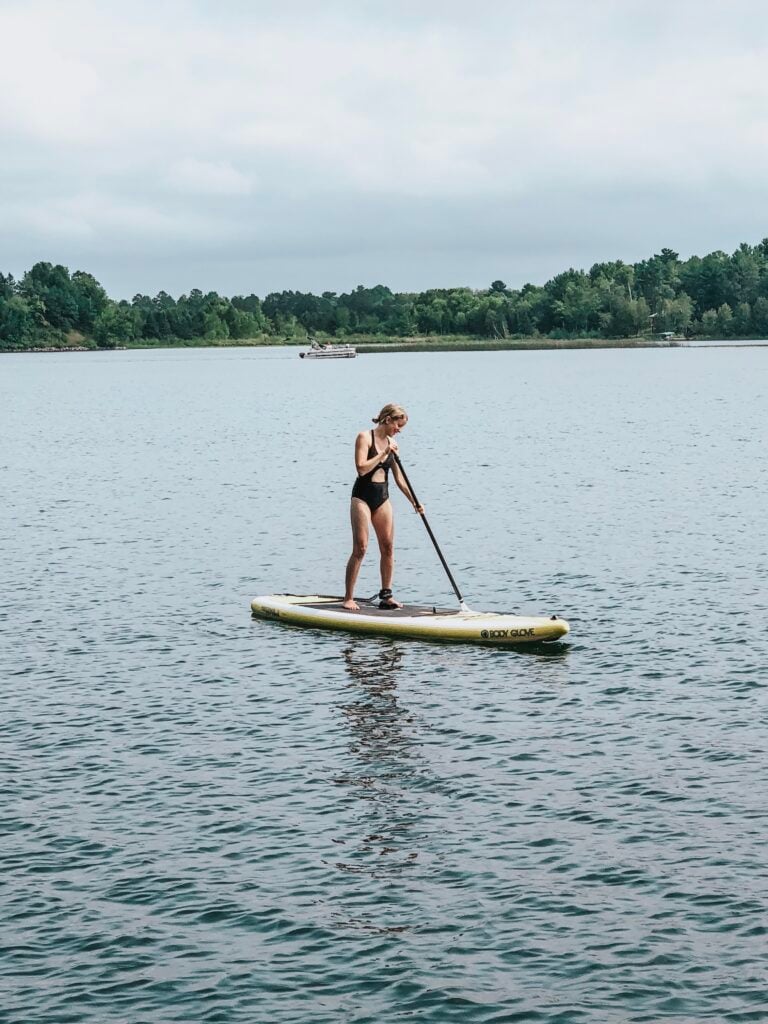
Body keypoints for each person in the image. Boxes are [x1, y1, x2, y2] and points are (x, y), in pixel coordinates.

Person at [343, 403, 423, 610]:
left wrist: (414, 501)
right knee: (360, 548)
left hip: (382, 497)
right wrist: (384, 452)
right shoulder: (364, 437)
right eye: (398, 424)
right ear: (388, 419)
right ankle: (348, 598)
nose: (399, 430)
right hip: (362, 497)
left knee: (387, 547)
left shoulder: (393, 444)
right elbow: (361, 468)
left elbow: (400, 479)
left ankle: (386, 595)